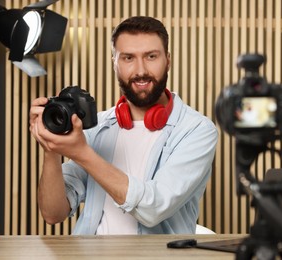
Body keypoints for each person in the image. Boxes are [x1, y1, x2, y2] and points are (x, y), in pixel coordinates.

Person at [29, 16, 218, 235]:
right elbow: (53, 214)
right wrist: (50, 149)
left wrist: (82, 153)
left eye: (151, 56)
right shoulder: (96, 128)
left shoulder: (196, 130)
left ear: (168, 60)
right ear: (114, 62)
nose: (141, 70)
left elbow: (154, 208)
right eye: (128, 58)